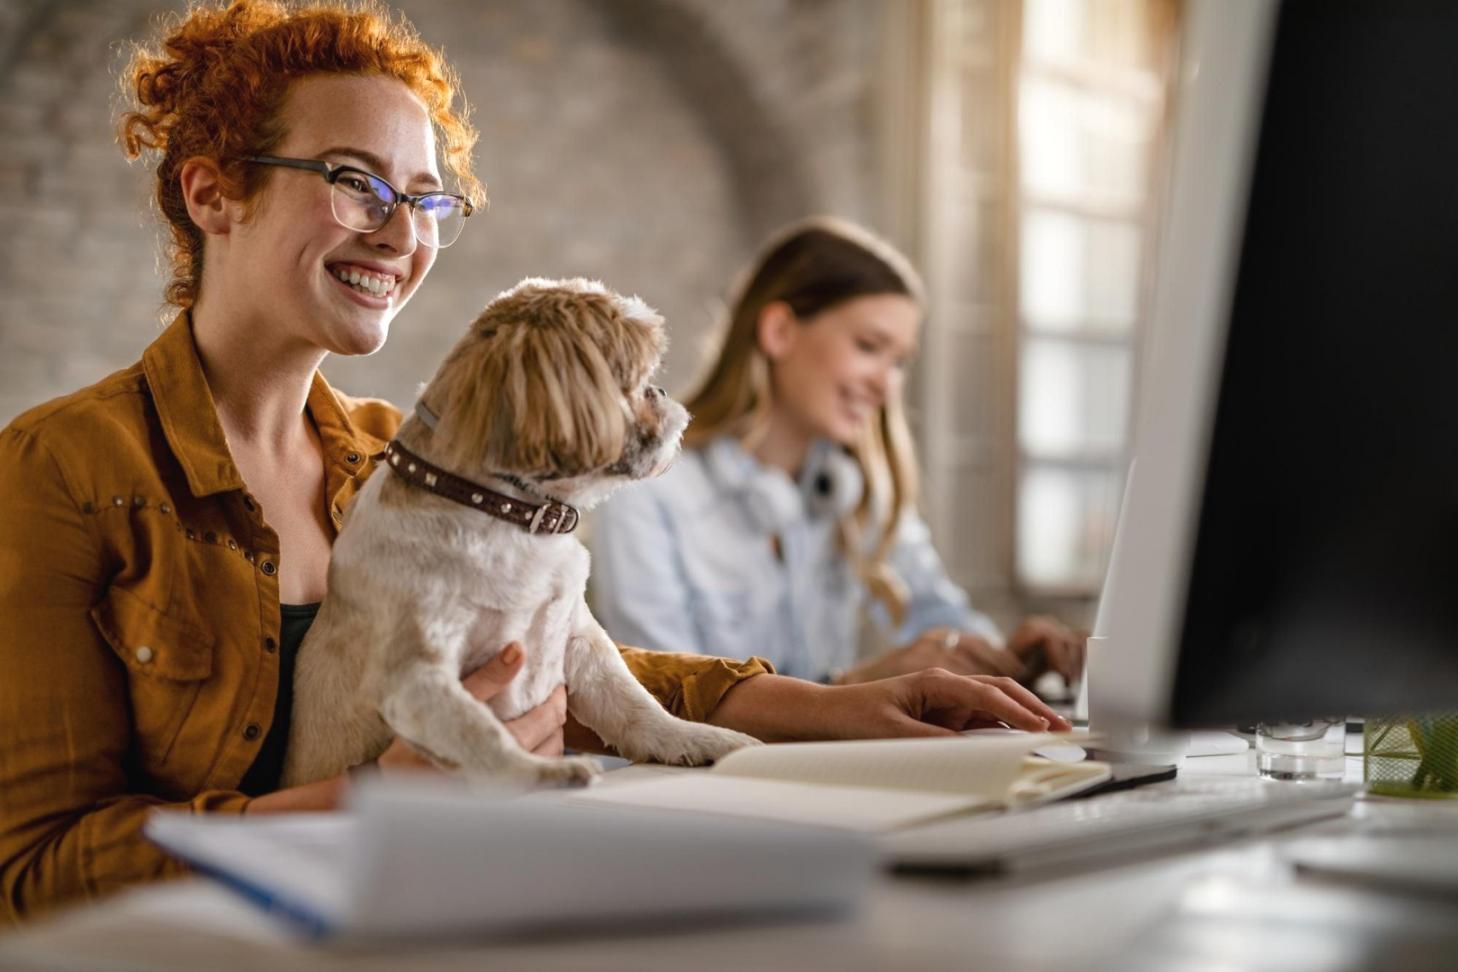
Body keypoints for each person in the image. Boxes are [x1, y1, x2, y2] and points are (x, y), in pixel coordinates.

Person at [0, 1, 1068, 923]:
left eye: (424, 199)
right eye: (351, 180)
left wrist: (842, 711)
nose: (399, 233)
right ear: (211, 194)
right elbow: (33, 872)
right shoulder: (64, 469)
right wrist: (377, 793)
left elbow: (577, 653)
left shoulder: (384, 456)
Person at [590, 218, 1086, 686]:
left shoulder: (851, 488)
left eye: (899, 362)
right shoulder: (645, 493)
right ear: (780, 331)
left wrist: (1007, 657)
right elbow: (665, 703)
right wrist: (855, 690)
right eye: (870, 346)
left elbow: (940, 619)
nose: (886, 385)